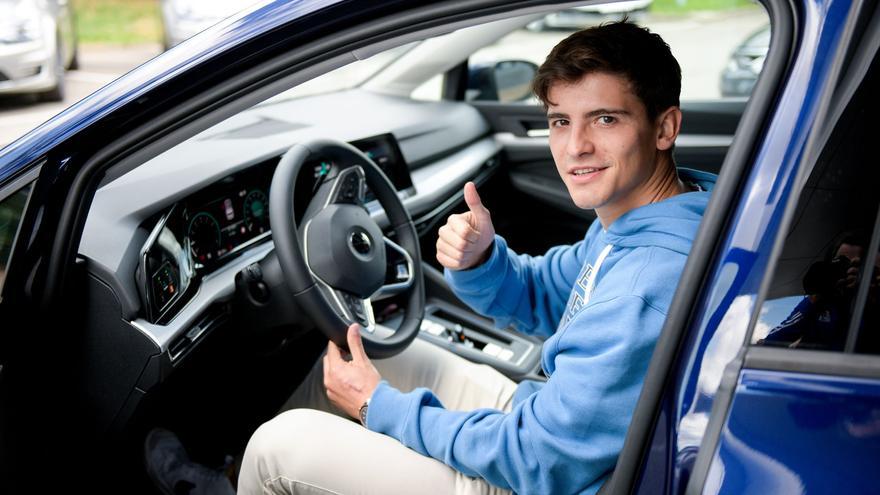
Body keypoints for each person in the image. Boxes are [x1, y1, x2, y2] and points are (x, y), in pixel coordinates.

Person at [148, 21, 715, 495]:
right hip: (560, 425)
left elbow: (538, 460)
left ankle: (251, 478)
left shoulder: (646, 281)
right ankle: (229, 476)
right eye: (561, 121)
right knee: (366, 351)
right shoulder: (668, 208)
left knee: (279, 447)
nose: (574, 147)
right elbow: (552, 292)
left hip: (552, 476)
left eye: (605, 120)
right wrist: (481, 259)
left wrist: (378, 409)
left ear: (664, 127)